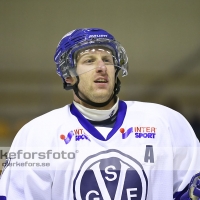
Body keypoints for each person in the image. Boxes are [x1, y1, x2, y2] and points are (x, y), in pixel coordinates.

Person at [0, 28, 199, 200]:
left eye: (107, 60)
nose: (102, 68)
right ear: (69, 76)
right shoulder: (38, 134)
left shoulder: (166, 123)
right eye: (89, 61)